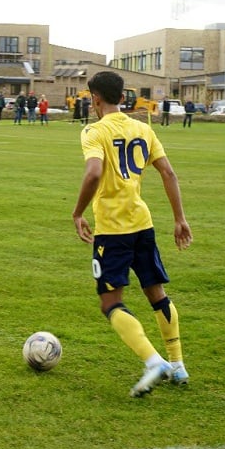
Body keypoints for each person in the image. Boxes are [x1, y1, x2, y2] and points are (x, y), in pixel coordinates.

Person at [71, 70, 193, 397]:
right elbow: (168, 172)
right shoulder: (143, 128)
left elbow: (94, 171)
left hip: (112, 230)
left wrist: (78, 211)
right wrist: (180, 218)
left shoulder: (93, 131)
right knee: (156, 294)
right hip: (143, 223)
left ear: (95, 98)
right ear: (122, 98)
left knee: (110, 302)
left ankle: (154, 361)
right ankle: (178, 363)